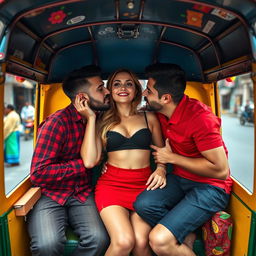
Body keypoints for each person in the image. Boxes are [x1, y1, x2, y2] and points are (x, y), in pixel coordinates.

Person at [134, 63, 233, 256]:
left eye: (149, 90)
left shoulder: (200, 118)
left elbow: (221, 170)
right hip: (181, 179)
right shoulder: (159, 112)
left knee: (159, 241)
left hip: (211, 187)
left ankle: (173, 235)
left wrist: (172, 158)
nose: (144, 93)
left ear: (165, 98)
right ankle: (185, 233)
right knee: (143, 204)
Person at [76, 69, 166, 256]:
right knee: (124, 242)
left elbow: (161, 153)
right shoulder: (102, 119)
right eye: (117, 84)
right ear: (110, 90)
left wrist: (161, 169)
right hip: (111, 187)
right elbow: (90, 160)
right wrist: (91, 118)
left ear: (136, 90)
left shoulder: (149, 117)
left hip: (144, 187)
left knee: (141, 243)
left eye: (129, 83)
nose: (122, 88)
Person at [27, 65, 110, 256]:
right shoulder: (57, 123)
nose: (107, 92)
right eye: (100, 88)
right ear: (82, 98)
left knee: (99, 240)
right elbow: (39, 174)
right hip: (51, 195)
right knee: (47, 245)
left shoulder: (98, 117)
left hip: (82, 193)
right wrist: (83, 164)